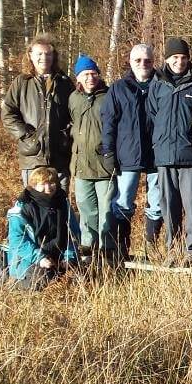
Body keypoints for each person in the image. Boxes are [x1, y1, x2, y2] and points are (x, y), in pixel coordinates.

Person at [147, 36, 192, 262]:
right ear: (167, 59)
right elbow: (152, 117)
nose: (179, 62)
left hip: (190, 157)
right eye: (175, 57)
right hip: (164, 157)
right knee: (168, 207)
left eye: (183, 58)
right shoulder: (157, 84)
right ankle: (172, 250)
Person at [100, 43, 162, 258]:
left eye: (147, 60)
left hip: (158, 154)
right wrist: (108, 152)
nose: (143, 64)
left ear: (153, 62)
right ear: (130, 62)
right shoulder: (118, 88)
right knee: (123, 203)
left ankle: (151, 249)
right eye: (138, 60)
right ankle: (121, 250)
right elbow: (108, 122)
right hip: (128, 155)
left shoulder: (161, 84)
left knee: (157, 203)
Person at [1, 34, 74, 186]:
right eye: (39, 54)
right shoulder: (21, 82)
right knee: (35, 204)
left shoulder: (64, 83)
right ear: (30, 56)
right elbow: (8, 113)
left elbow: (75, 115)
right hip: (32, 157)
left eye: (48, 54)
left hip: (59, 156)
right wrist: (27, 135)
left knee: (59, 205)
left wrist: (65, 136)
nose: (44, 58)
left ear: (54, 56)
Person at [68, 54, 114, 256]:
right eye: (85, 74)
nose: (90, 78)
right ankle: (88, 246)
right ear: (78, 78)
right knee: (85, 208)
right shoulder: (73, 99)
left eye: (93, 73)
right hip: (80, 165)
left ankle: (106, 247)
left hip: (104, 165)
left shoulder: (109, 96)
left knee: (106, 209)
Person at [6, 166, 79, 290]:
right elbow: (16, 240)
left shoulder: (63, 203)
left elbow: (73, 233)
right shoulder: (22, 208)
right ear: (33, 185)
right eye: (43, 184)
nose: (48, 188)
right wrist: (39, 258)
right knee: (41, 283)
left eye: (52, 183)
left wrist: (69, 256)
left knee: (79, 281)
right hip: (30, 259)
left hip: (59, 257)